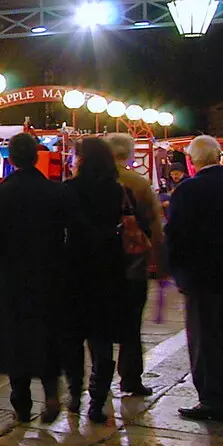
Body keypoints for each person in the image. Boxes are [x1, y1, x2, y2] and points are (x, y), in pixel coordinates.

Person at [0, 132, 76, 423]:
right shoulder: (57, 193)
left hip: (12, 278)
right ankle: (50, 393)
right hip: (49, 277)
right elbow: (70, 235)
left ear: (11, 159)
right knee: (48, 336)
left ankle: (21, 402)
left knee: (15, 339)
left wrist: (5, 264)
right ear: (36, 157)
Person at [166, 136, 223, 422]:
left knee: (203, 339)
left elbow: (176, 236)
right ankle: (219, 395)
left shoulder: (187, 191)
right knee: (221, 335)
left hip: (200, 277)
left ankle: (211, 399)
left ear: (193, 161)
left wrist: (177, 273)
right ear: (218, 156)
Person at [63, 137, 129, 422]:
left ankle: (75, 394)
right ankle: (97, 400)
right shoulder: (116, 191)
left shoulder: (68, 190)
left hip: (75, 269)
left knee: (73, 339)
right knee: (101, 340)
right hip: (107, 269)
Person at [106, 133, 165, 390]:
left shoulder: (92, 182)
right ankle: (130, 377)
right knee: (131, 324)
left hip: (101, 266)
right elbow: (155, 224)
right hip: (133, 265)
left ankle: (100, 379)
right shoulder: (139, 183)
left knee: (101, 325)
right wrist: (159, 262)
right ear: (129, 153)